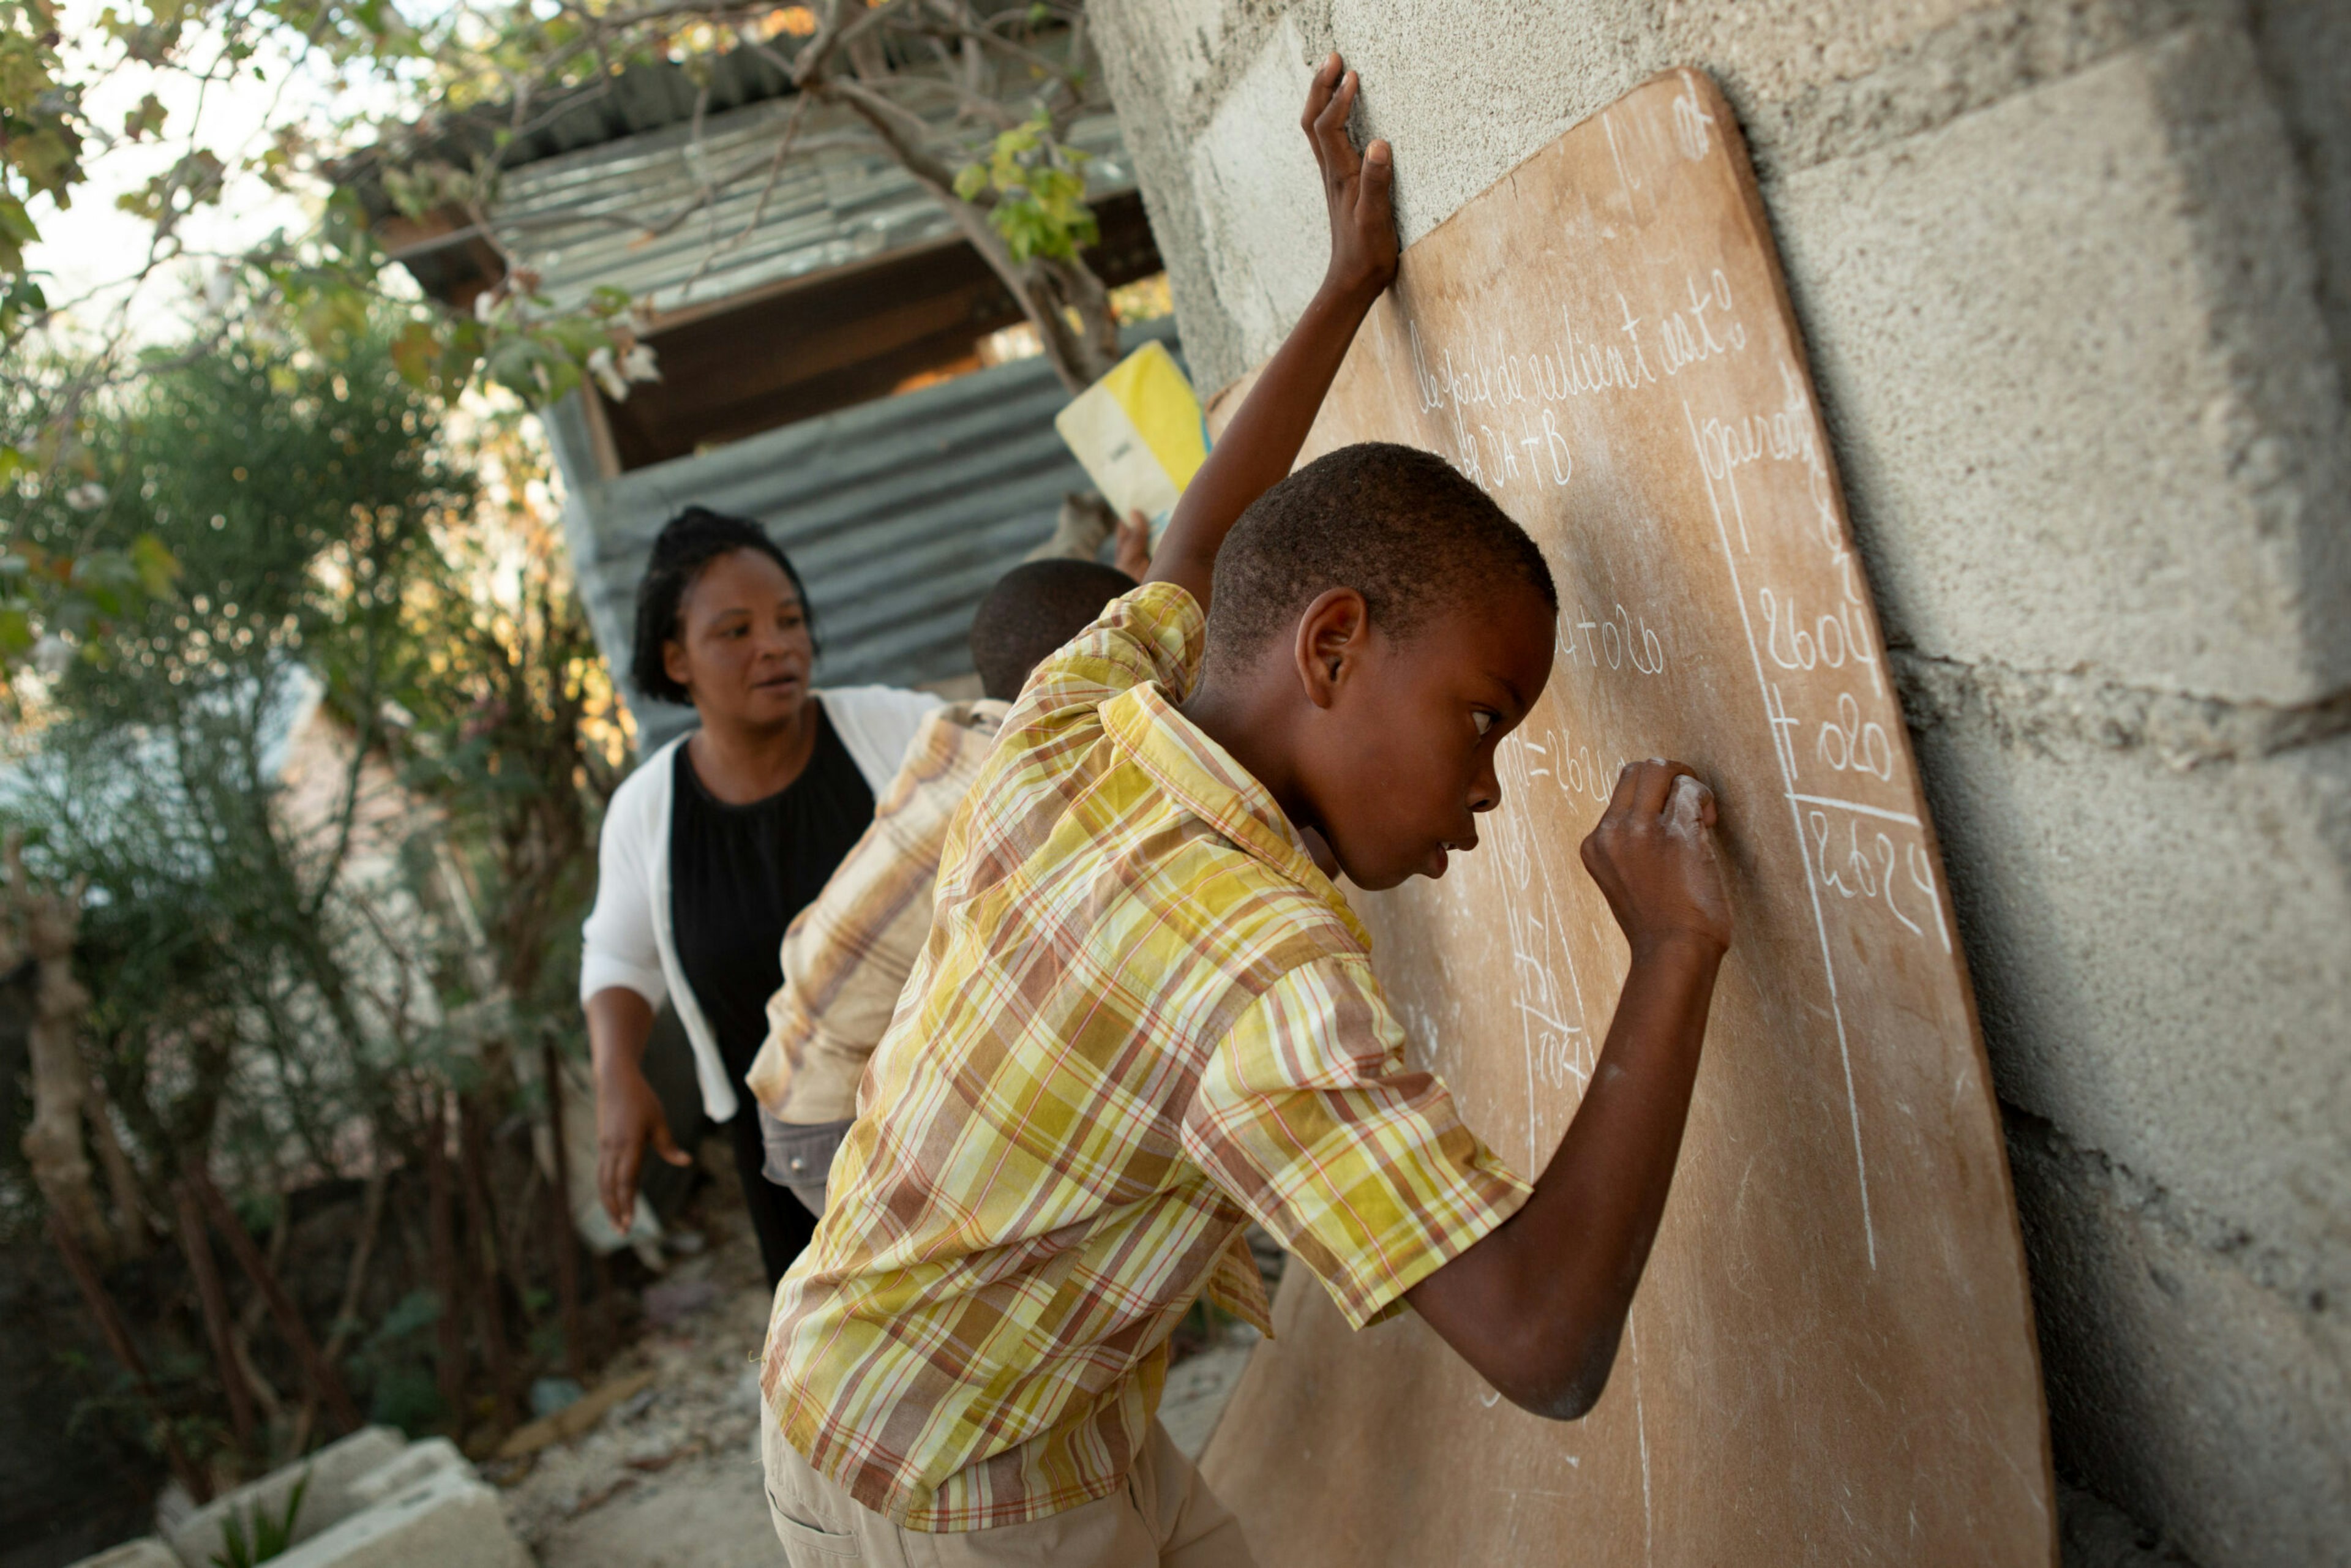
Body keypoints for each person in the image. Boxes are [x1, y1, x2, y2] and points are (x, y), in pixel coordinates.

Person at [757, 53, 1734, 1568]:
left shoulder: (1088, 712)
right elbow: (1544, 1340)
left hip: (950, 1392)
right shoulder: (1256, 966)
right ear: (1331, 643)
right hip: (943, 1490)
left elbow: (1205, 539)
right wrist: (1670, 951)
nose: (1485, 793)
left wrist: (1348, 285)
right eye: (1481, 720)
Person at [579, 506, 940, 1288]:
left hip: (946, 1114)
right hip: (788, 1166)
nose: (777, 644)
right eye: (735, 631)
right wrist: (617, 1075)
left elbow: (1013, 757)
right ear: (676, 659)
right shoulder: (649, 810)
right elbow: (617, 954)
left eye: (789, 619)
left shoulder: (891, 731)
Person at [746, 557, 1144, 1218]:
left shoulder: (957, 731)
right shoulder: (1025, 794)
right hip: (841, 1117)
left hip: (797, 1074)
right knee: (999, 1268)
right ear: (1087, 676)